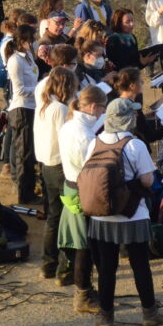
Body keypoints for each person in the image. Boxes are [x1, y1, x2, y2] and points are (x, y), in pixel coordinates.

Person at [84, 98, 163, 326]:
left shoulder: (94, 142)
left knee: (107, 268)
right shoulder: (135, 144)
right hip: (132, 213)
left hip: (101, 215)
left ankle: (106, 316)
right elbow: (148, 180)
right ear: (128, 118)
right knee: (140, 265)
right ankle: (149, 313)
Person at [57, 85, 107, 314]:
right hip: (81, 191)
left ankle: (85, 290)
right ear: (94, 107)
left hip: (73, 186)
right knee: (84, 247)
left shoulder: (71, 125)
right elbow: (91, 167)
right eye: (102, 109)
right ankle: (83, 295)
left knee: (84, 245)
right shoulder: (82, 134)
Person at [34, 66, 78, 285]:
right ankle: (65, 268)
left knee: (53, 216)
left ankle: (48, 264)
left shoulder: (45, 103)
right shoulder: (59, 109)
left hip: (47, 165)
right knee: (69, 217)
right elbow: (67, 138)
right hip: (60, 167)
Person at [6, 24, 40, 205]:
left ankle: (30, 189)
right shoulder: (15, 61)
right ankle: (24, 195)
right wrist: (41, 89)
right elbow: (19, 90)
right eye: (32, 39)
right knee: (23, 153)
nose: (34, 42)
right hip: (21, 110)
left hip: (31, 108)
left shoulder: (28, 57)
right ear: (23, 41)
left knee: (30, 152)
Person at [111, 67, 163, 146]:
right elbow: (150, 137)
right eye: (140, 81)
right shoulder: (132, 107)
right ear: (132, 86)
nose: (143, 82)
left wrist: (145, 116)